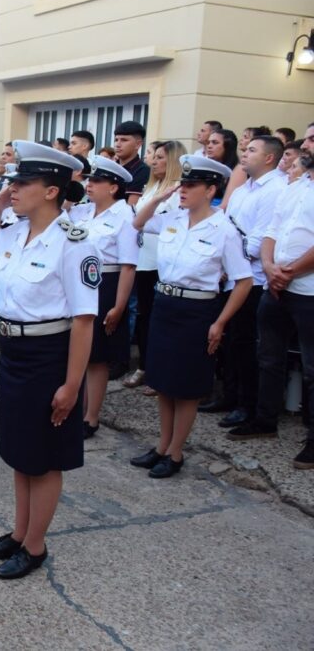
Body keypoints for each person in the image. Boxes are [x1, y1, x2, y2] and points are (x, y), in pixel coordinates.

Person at [0, 141, 98, 579]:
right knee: (20, 451)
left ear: (51, 191)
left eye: (23, 182)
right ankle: (19, 532)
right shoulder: (12, 230)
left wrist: (72, 385)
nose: (13, 188)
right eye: (12, 181)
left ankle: (35, 545)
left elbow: (83, 321)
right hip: (13, 353)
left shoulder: (73, 243)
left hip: (49, 357)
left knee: (43, 457)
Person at [130, 155, 252, 478]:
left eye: (192, 185)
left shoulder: (224, 229)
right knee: (163, 382)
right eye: (182, 184)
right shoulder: (172, 218)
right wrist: (159, 197)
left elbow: (243, 281)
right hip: (165, 306)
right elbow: (138, 222)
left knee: (186, 387)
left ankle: (176, 452)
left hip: (197, 312)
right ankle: (161, 446)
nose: (183, 190)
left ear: (210, 189)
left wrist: (220, 322)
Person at [226, 128, 314, 471]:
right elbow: (272, 232)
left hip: (307, 290)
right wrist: (269, 266)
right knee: (268, 356)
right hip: (276, 286)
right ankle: (264, 420)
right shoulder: (295, 186)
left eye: (311, 140)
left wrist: (288, 271)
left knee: (311, 369)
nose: (305, 145)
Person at [215, 136, 287, 431]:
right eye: (245, 150)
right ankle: (230, 396)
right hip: (230, 275)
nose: (244, 154)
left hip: (253, 278)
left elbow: (258, 240)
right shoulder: (244, 188)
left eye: (252, 150)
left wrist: (229, 259)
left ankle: (248, 405)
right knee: (231, 341)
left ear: (269, 158)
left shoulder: (275, 189)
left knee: (246, 344)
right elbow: (225, 228)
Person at [67, 157, 137, 438]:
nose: (90, 185)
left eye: (97, 181)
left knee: (98, 357)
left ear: (113, 187)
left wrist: (119, 306)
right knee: (78, 350)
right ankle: (76, 409)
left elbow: (128, 266)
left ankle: (91, 417)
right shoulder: (83, 211)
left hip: (106, 284)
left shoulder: (125, 216)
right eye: (89, 180)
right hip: (80, 282)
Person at [123, 141, 186, 391]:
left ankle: (157, 370)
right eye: (155, 156)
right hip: (142, 259)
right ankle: (145, 366)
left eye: (161, 157)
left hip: (160, 263)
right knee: (144, 317)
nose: (154, 161)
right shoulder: (152, 187)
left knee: (157, 319)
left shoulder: (178, 190)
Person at [112, 121, 150, 203]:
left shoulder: (142, 171)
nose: (117, 144)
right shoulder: (110, 167)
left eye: (124, 140)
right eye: (116, 140)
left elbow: (131, 206)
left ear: (138, 144)